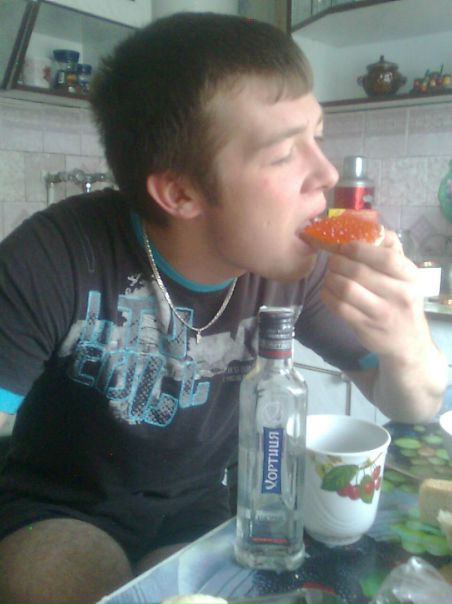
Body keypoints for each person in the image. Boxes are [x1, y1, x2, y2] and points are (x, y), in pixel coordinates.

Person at [0, 11, 447, 604]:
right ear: (181, 192)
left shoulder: (296, 266)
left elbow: (411, 404)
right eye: (284, 154)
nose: (327, 173)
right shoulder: (54, 254)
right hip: (57, 510)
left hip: (199, 511)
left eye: (317, 137)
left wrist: (408, 341)